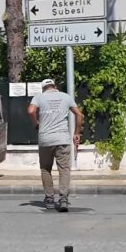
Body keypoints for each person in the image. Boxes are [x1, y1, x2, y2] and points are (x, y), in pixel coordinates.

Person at [28, 78, 84, 212]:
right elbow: (79, 115)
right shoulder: (66, 97)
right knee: (64, 169)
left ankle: (49, 199)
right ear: (55, 86)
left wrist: (36, 124)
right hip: (63, 139)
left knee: (45, 169)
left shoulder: (39, 97)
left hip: (45, 139)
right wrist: (76, 133)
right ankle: (63, 199)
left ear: (43, 88)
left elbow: (30, 111)